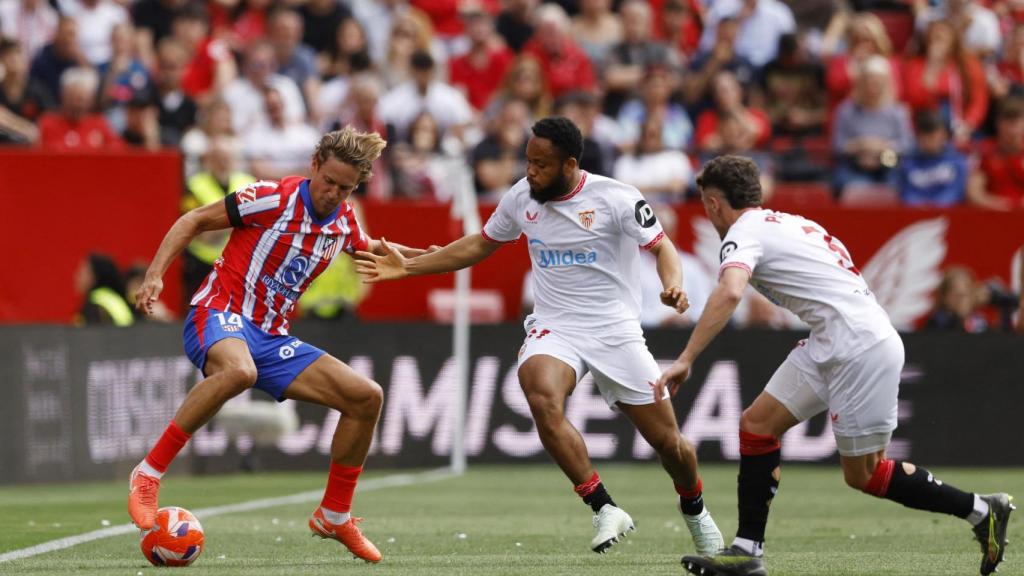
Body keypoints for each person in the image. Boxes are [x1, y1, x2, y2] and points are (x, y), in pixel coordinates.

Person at [356, 117, 724, 557]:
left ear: (570, 164)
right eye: (528, 161)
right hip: (556, 325)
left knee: (670, 444)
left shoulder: (616, 198)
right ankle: (602, 505)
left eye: (541, 164)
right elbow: (478, 245)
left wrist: (674, 284)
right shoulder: (521, 197)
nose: (530, 172)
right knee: (540, 392)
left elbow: (662, 246)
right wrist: (410, 266)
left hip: (615, 330)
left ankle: (696, 509)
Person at [658, 155, 1014, 576]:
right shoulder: (792, 223)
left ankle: (980, 510)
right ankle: (747, 551)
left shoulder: (742, 233)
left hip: (858, 348)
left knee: (864, 474)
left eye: (705, 204)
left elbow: (730, 291)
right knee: (756, 426)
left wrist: (685, 359)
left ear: (714, 204)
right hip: (835, 340)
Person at [128, 126, 432, 564]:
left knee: (366, 397)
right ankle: (149, 473)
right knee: (239, 371)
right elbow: (192, 221)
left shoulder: (344, 222)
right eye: (328, 181)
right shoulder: (271, 197)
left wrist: (438, 259)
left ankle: (334, 514)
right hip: (218, 312)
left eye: (345, 188)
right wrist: (155, 273)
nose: (332, 193)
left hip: (270, 337)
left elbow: (381, 252)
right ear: (314, 166)